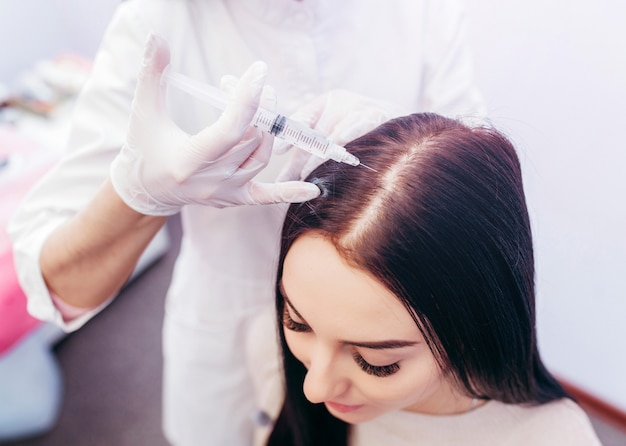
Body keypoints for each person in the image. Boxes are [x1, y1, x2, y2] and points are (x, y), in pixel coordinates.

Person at [9, 0, 486, 444]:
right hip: (228, 339)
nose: (316, 386)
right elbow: (57, 280)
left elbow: (480, 199)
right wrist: (138, 194)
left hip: (381, 343)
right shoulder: (159, 22)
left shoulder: (423, 14)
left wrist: (413, 153)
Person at [247, 112, 602, 445]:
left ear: (471, 327)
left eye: (375, 362)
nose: (315, 388)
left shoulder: (551, 437)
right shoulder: (267, 342)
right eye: (297, 322)